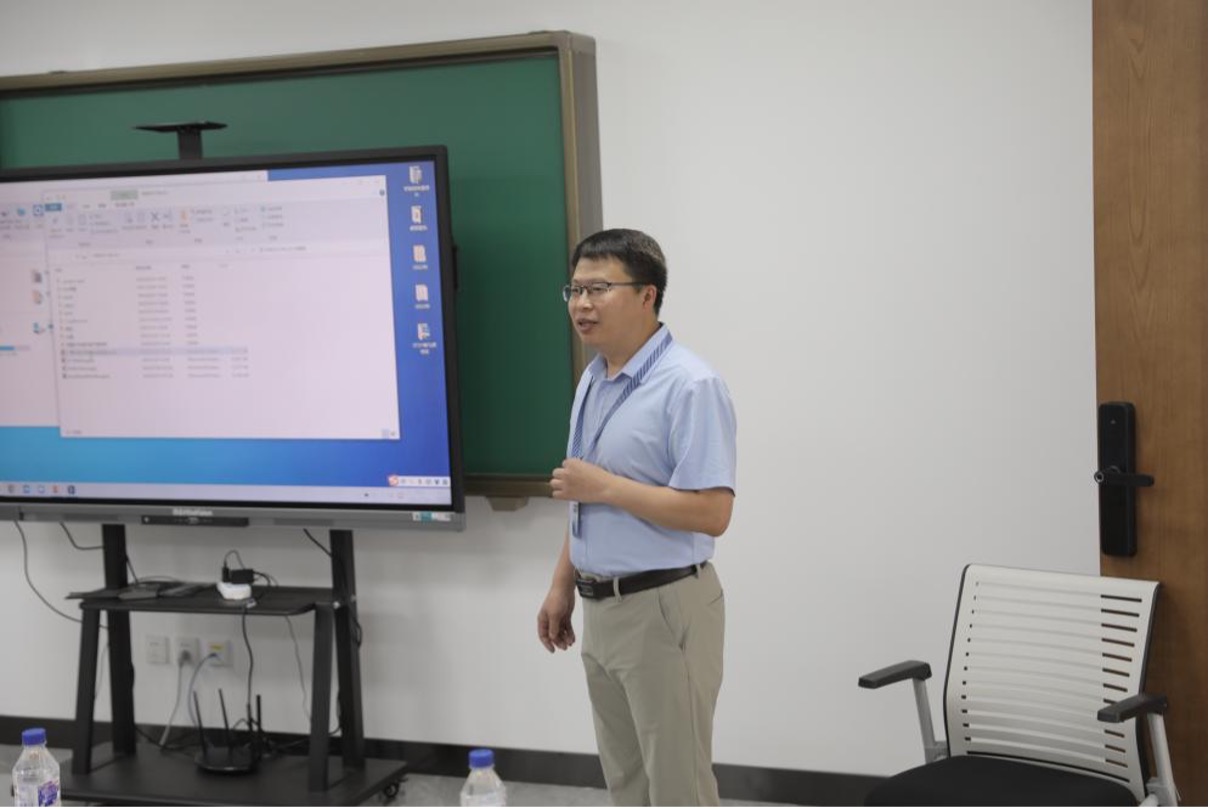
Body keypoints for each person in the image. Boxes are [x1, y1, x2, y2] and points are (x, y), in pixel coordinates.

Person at [537, 229, 737, 806]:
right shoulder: (594, 378)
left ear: (647, 295)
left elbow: (713, 512)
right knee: (626, 785)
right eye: (575, 289)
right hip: (601, 607)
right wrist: (561, 585)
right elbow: (584, 497)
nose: (582, 304)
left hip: (664, 605)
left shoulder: (690, 385)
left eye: (599, 289)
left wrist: (606, 487)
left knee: (678, 787)